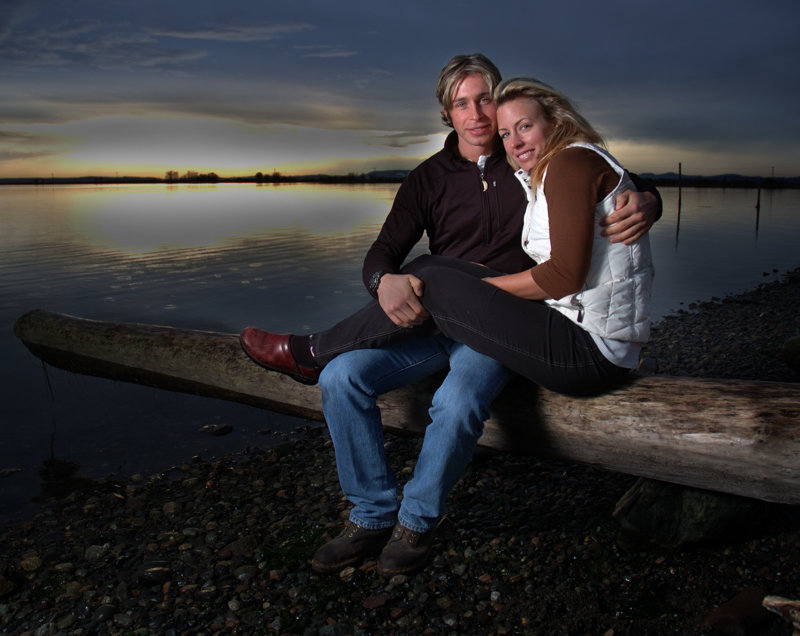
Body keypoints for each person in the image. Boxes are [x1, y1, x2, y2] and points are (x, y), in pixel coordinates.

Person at [241, 57, 661, 576]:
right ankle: (370, 514)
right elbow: (382, 253)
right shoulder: (428, 179)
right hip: (435, 319)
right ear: (447, 113)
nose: (478, 115)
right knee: (340, 377)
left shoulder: (530, 155)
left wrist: (650, 202)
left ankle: (416, 522)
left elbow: (609, 176)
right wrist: (384, 282)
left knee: (458, 400)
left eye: (485, 99)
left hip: (509, 325)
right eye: (462, 104)